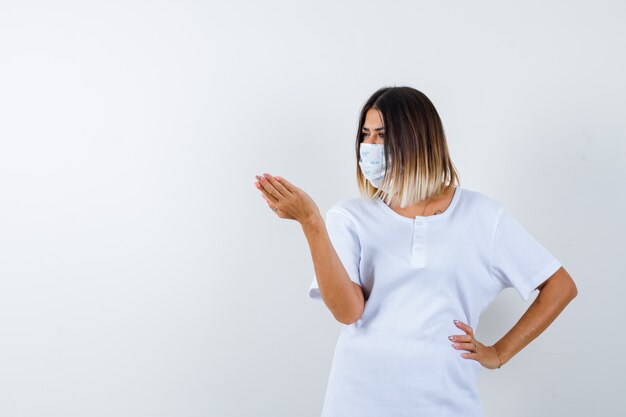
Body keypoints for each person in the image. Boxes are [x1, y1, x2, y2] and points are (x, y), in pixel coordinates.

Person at [253, 86, 578, 417]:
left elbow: (560, 286)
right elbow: (348, 312)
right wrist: (311, 223)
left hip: (448, 403)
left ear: (417, 139)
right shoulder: (350, 217)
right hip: (356, 400)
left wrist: (498, 353)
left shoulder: (482, 216)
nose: (370, 146)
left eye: (382, 135)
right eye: (365, 135)